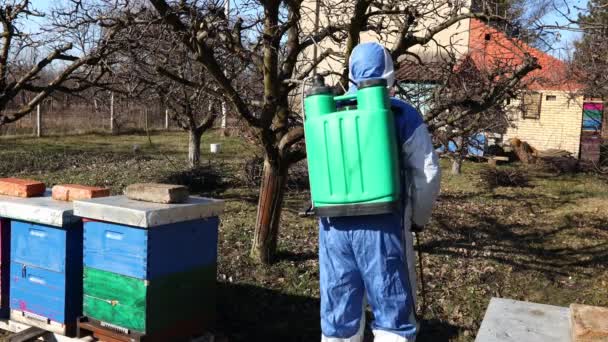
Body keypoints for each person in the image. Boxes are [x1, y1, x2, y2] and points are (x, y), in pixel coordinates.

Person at [319, 42, 442, 342]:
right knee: (392, 313)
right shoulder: (402, 114)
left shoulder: (327, 113)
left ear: (349, 76)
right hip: (384, 226)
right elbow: (427, 173)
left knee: (339, 311)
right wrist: (419, 219)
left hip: (332, 227)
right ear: (390, 78)